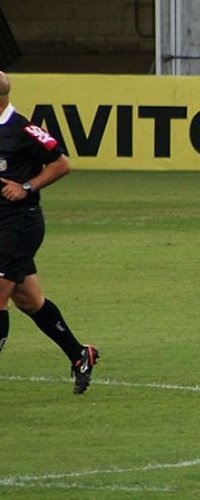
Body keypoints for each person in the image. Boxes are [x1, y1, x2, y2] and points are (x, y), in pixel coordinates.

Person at [0, 71, 99, 395]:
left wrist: (27, 186)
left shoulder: (24, 130)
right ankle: (80, 354)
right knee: (29, 300)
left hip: (19, 224)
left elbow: (61, 163)